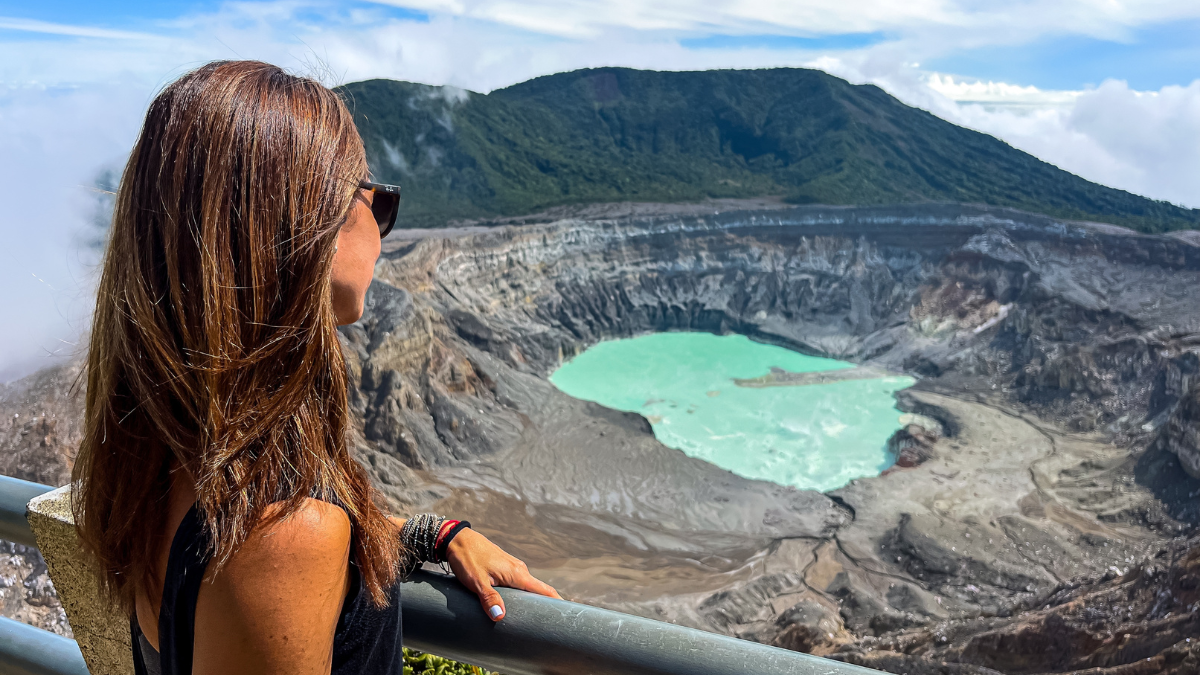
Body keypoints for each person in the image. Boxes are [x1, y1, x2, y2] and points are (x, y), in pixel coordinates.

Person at [70, 60, 560, 675]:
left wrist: (431, 534)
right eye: (376, 200)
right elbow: (285, 544)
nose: (382, 229)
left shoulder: (167, 453)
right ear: (306, 222)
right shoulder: (279, 532)